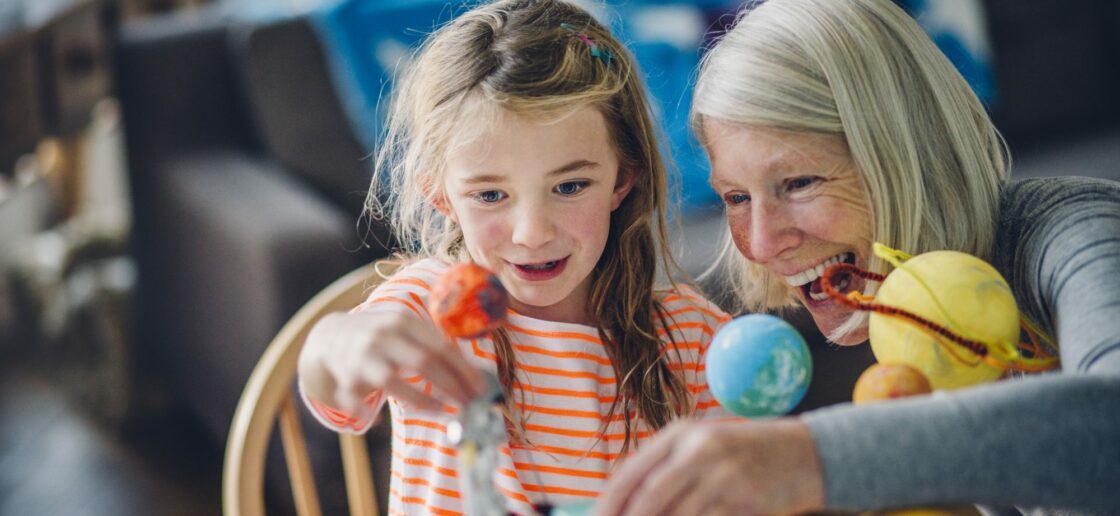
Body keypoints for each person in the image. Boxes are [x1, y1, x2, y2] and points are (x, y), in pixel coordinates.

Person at [595, 0, 1120, 514]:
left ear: (906, 156)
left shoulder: (1074, 228)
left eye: (799, 182)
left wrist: (807, 458)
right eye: (737, 198)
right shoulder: (914, 315)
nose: (760, 244)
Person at [296, 0, 730, 514]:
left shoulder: (695, 340)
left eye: (569, 185)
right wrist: (336, 343)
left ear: (623, 178)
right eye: (490, 195)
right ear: (440, 195)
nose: (532, 233)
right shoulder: (429, 311)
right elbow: (333, 386)